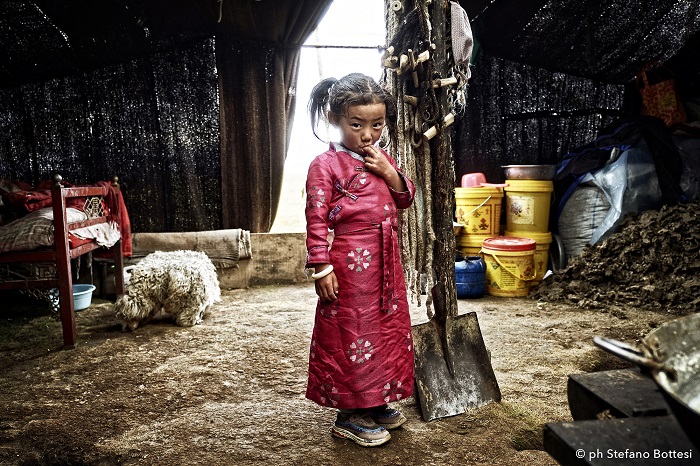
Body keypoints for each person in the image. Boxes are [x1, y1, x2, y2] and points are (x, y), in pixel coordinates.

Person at [304, 73, 416, 447]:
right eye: (357, 125)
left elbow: (405, 198)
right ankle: (349, 414)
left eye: (377, 125)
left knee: (383, 330)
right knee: (352, 333)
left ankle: (375, 399)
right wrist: (321, 266)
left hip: (386, 264)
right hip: (349, 267)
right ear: (334, 119)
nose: (368, 135)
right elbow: (316, 218)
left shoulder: (381, 159)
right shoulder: (325, 165)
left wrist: (391, 173)